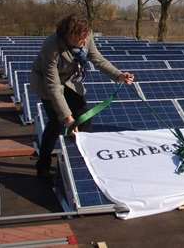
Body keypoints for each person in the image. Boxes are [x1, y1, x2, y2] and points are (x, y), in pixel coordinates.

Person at [30, 14, 134, 180]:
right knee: (57, 121)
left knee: (84, 115)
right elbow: (53, 86)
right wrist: (68, 118)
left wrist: (119, 75)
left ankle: (86, 159)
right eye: (81, 39)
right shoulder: (51, 47)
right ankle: (43, 163)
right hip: (46, 83)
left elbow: (97, 59)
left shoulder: (86, 36)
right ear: (70, 35)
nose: (85, 42)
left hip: (70, 81)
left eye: (86, 37)